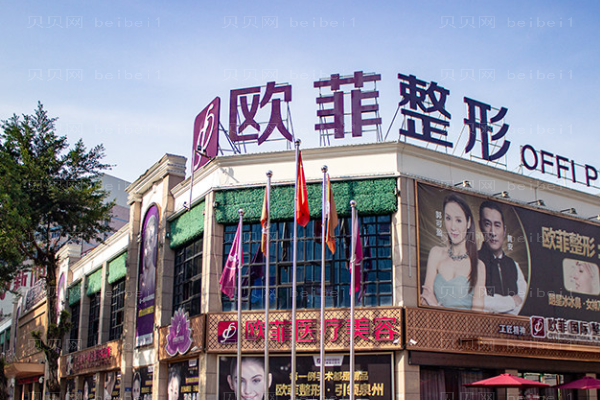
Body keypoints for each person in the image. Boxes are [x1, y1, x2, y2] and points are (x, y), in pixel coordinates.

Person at [421, 194, 486, 311]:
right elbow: (425, 297)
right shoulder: (436, 254)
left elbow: (477, 314)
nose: (453, 227)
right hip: (433, 327)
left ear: (469, 222)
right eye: (448, 218)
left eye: (459, 220)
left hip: (464, 328)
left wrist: (435, 306)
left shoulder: (478, 266)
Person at [478, 201, 526, 314]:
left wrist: (497, 304)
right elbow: (480, 302)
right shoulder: (472, 260)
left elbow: (524, 301)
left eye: (497, 225)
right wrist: (511, 301)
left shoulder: (513, 265)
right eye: (487, 224)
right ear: (481, 226)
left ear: (504, 230)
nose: (493, 232)